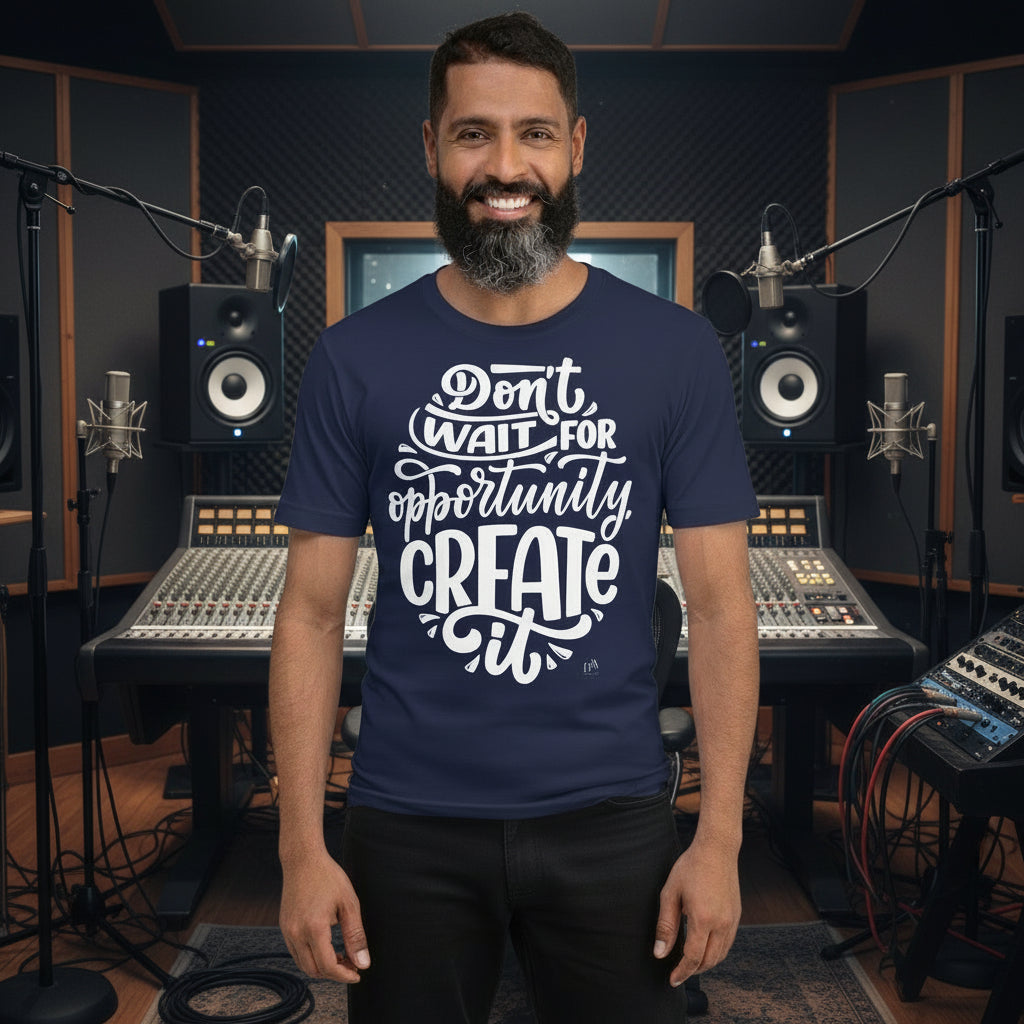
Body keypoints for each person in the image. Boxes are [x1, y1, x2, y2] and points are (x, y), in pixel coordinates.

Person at [269, 11, 760, 1023]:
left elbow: (717, 610)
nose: (505, 166)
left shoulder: (674, 353)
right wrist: (301, 847)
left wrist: (717, 839)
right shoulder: (351, 358)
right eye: (473, 133)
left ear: (575, 146)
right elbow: (310, 616)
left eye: (534, 133)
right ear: (431, 147)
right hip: (404, 821)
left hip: (614, 818)